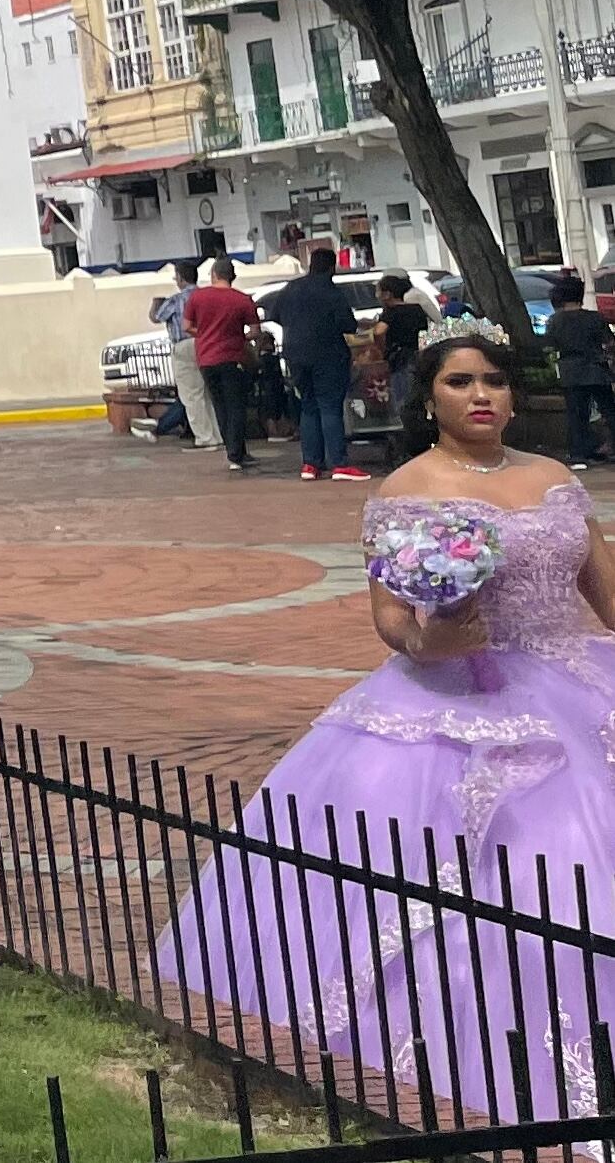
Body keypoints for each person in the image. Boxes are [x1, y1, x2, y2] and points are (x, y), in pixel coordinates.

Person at [158, 323, 615, 1113]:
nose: (481, 397)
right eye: (460, 382)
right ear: (428, 397)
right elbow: (391, 618)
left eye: (495, 383)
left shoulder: (554, 477)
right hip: (453, 696)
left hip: (576, 683)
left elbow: (604, 592)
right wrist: (433, 636)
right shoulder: (405, 490)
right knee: (538, 877)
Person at [273, 246, 364, 484]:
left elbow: (275, 315)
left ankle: (310, 464)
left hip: (295, 355)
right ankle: (339, 464)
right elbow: (348, 325)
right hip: (328, 355)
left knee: (308, 406)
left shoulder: (291, 288)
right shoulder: (331, 291)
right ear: (331, 267)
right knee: (330, 407)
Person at [183, 254, 262, 471]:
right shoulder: (242, 300)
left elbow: (187, 326)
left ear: (213, 274)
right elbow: (255, 331)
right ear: (232, 277)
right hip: (232, 357)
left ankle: (233, 449)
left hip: (206, 359)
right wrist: (238, 337)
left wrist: (206, 333)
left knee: (220, 406)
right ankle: (237, 453)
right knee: (236, 405)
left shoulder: (197, 298)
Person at [550, 272, 615, 469]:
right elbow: (609, 342)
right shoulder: (594, 318)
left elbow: (550, 345)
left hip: (571, 371)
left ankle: (579, 454)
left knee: (577, 415)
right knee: (609, 411)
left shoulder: (556, 321)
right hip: (597, 369)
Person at [159, 260, 211, 449]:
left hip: (184, 344)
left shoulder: (176, 300)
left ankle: (204, 438)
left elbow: (158, 316)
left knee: (191, 394)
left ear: (180, 278)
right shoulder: (206, 296)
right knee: (207, 392)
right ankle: (216, 435)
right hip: (206, 342)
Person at [374, 270, 429, 388]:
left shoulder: (391, 312)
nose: (377, 295)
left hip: (400, 359)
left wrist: (381, 349)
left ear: (388, 294)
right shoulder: (417, 309)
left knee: (402, 395)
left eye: (379, 291)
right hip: (420, 356)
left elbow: (378, 331)